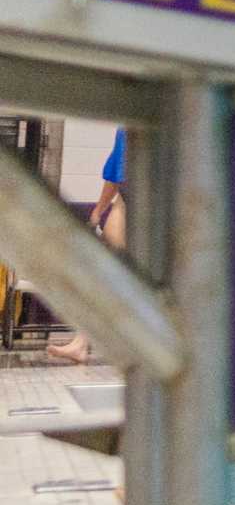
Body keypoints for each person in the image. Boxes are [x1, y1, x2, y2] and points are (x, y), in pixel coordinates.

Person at [46, 127, 127, 364]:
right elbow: (114, 172)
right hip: (124, 202)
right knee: (107, 274)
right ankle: (81, 343)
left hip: (148, 201)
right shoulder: (126, 126)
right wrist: (99, 210)